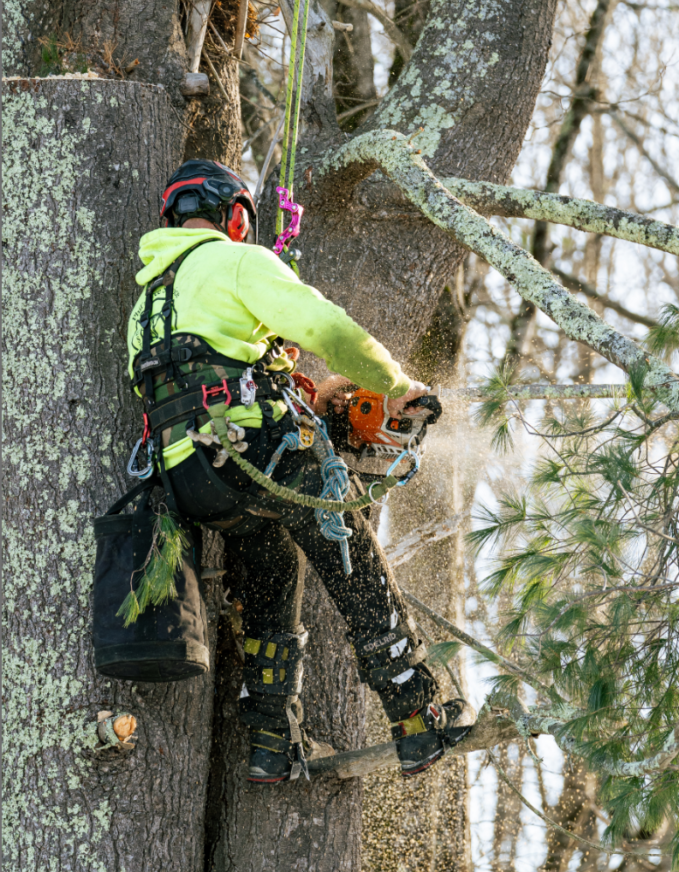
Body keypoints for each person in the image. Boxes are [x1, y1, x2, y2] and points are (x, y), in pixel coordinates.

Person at [126, 159, 474, 782]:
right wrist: (395, 384)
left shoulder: (148, 303)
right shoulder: (235, 261)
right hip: (253, 452)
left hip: (188, 482)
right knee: (345, 535)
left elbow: (203, 370)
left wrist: (265, 360)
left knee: (271, 560)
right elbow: (325, 327)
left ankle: (269, 739)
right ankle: (416, 710)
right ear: (234, 214)